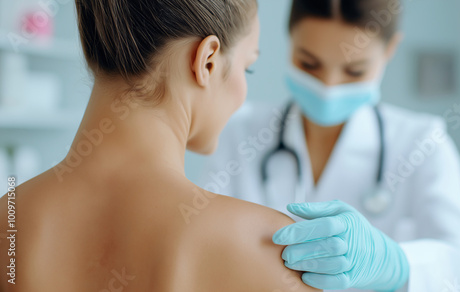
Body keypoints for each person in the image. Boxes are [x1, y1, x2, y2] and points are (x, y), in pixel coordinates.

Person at [0, 1, 320, 292]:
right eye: (246, 67)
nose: (243, 90)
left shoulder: (9, 221)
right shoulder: (272, 246)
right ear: (207, 61)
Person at [201, 0, 460, 291]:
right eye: (309, 64)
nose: (329, 86)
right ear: (290, 41)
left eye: (354, 71)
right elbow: (202, 245)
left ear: (390, 50)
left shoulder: (422, 142)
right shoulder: (238, 132)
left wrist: (394, 263)